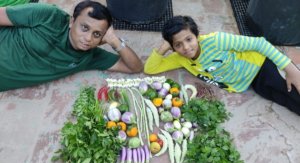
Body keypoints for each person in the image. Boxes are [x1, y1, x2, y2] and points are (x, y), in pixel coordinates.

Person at [144, 15, 300, 114]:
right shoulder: (180, 58)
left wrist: (292, 70)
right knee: (287, 101)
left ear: (197, 36)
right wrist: (164, 46)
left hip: (262, 66)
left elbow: (260, 44)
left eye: (189, 39)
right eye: (177, 44)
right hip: (250, 82)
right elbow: (150, 68)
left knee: (295, 92)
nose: (186, 47)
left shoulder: (216, 40)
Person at [0, 0, 143, 91]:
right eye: (85, 28)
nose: (88, 38)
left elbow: (135, 67)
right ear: (72, 21)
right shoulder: (48, 16)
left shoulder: (90, 56)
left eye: (97, 34)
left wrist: (114, 40)